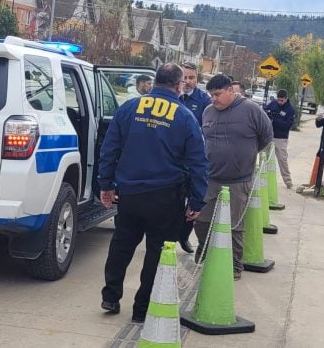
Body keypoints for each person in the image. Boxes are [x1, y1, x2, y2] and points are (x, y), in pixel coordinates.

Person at [99, 63, 209, 323]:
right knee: (157, 254)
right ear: (179, 85)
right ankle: (141, 310)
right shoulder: (184, 116)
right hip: (165, 197)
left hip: (130, 194)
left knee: (121, 245)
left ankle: (111, 296)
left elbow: (109, 148)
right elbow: (198, 162)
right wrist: (196, 199)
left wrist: (105, 184)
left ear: (155, 81)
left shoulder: (129, 108)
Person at [194, 74, 273, 280]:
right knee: (201, 220)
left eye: (218, 94)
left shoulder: (251, 110)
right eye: (211, 95)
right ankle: (206, 251)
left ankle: (234, 266)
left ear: (231, 91)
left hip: (239, 179)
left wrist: (245, 155)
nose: (214, 99)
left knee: (234, 226)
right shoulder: (208, 112)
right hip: (211, 177)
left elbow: (266, 137)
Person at [177, 62, 211, 254]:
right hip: (173, 158)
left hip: (193, 160)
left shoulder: (204, 100)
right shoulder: (174, 97)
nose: (188, 82)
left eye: (192, 78)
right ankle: (169, 235)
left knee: (194, 200)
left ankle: (184, 234)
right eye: (185, 78)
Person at [264, 89, 295, 188]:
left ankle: (288, 182)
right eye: (279, 100)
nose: (280, 102)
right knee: (264, 157)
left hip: (281, 138)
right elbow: (264, 113)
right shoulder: (272, 104)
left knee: (282, 159)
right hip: (269, 136)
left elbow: (287, 125)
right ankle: (261, 177)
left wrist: (274, 120)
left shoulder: (290, 109)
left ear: (286, 99)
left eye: (282, 100)